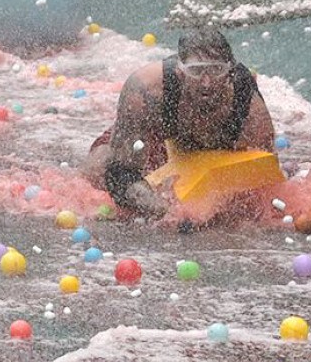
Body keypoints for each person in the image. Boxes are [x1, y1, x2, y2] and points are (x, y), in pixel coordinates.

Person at [81, 29, 276, 220]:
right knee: (96, 169)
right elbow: (119, 171)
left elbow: (266, 170)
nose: (206, 83)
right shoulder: (146, 90)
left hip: (217, 148)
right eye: (196, 71)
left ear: (230, 73)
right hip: (157, 136)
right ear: (179, 71)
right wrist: (158, 208)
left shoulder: (249, 110)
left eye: (216, 71)